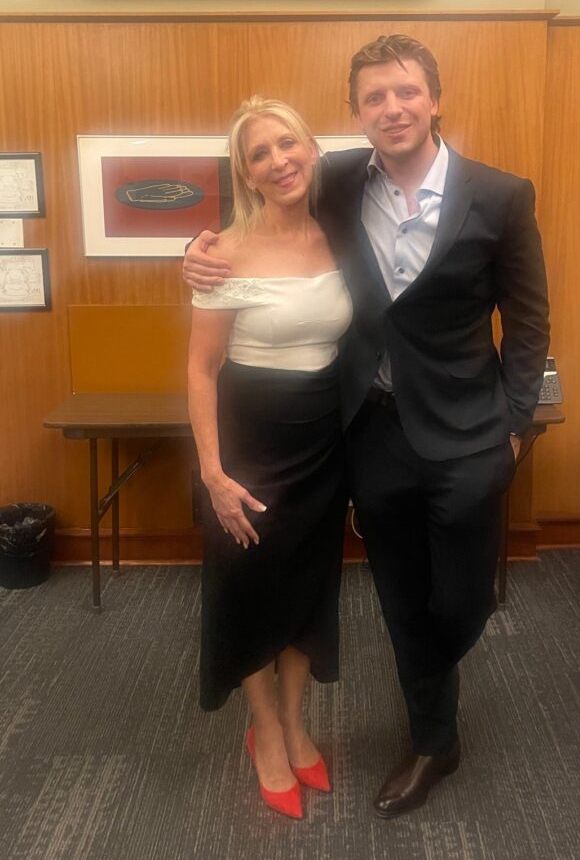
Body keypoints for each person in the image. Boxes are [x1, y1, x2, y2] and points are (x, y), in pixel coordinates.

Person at [184, 35, 550, 818]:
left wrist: (515, 428)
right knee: (397, 597)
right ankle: (433, 740)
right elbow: (262, 203)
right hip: (370, 434)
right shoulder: (340, 179)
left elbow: (527, 323)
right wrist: (197, 249)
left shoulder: (499, 196)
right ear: (354, 114)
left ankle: (431, 671)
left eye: (405, 91)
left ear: (434, 99)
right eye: (374, 98)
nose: (392, 108)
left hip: (469, 435)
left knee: (459, 600)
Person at [187, 96, 352, 820]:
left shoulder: (342, 228)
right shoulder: (222, 253)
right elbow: (201, 369)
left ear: (311, 147)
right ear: (246, 174)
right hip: (247, 446)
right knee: (250, 590)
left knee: (308, 589)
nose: (279, 161)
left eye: (288, 143)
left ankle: (293, 720)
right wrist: (213, 475)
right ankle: (266, 734)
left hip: (323, 443)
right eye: (260, 154)